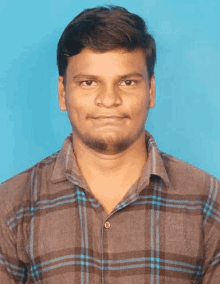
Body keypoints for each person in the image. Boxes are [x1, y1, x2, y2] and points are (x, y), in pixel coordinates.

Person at [0, 5, 219, 283]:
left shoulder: (209, 202)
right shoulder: (10, 206)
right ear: (63, 93)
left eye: (127, 82)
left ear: (150, 91)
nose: (109, 100)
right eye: (89, 82)